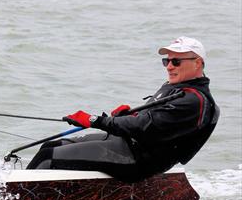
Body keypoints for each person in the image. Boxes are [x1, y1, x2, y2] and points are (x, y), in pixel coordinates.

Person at [27, 36, 219, 182]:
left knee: (47, 157)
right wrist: (130, 114)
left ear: (198, 63)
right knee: (50, 146)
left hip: (137, 160)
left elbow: (145, 126)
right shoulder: (180, 87)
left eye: (176, 62)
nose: (169, 67)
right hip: (127, 144)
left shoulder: (194, 101)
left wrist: (96, 120)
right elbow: (154, 119)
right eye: (166, 61)